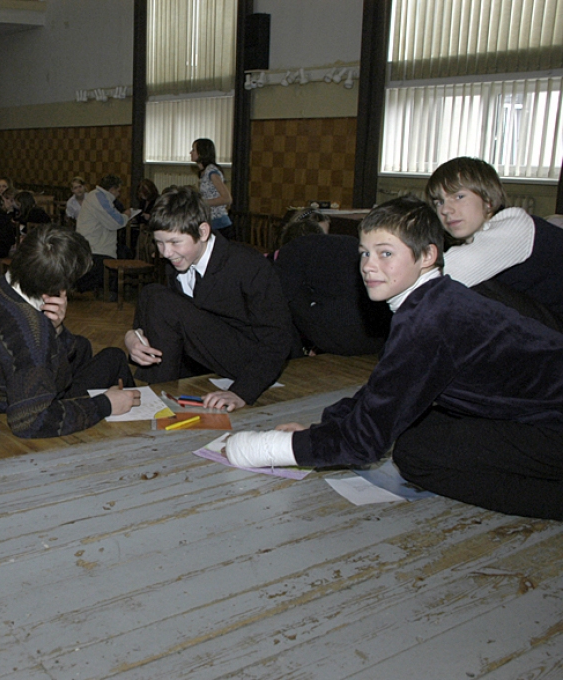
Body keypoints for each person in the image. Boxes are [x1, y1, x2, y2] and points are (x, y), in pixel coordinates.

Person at [224, 196, 563, 520]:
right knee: (417, 425)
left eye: (385, 253)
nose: (369, 266)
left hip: (552, 426)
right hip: (537, 411)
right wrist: (323, 428)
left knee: (416, 455)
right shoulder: (436, 298)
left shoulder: (428, 322)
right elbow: (385, 388)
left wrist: (262, 448)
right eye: (364, 253)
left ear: (428, 254)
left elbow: (362, 444)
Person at [124, 186, 292, 413]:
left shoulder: (249, 265)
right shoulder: (177, 260)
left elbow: (278, 338)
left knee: (158, 298)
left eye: (174, 242)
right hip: (202, 356)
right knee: (152, 293)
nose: (165, 252)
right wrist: (133, 336)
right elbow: (172, 319)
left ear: (202, 232)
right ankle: (158, 393)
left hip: (249, 359)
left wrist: (242, 392)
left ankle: (155, 394)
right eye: (160, 243)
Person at [0, 226, 140, 438]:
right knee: (114, 359)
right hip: (16, 403)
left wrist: (56, 328)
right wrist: (105, 404)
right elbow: (30, 421)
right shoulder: (31, 332)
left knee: (81, 346)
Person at [425, 156, 563, 324]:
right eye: (439, 202)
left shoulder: (516, 226)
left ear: (488, 201)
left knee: (461, 289)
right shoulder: (477, 239)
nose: (446, 209)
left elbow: (433, 280)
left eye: (459, 196)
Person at [273, 224, 391, 357]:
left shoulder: (291, 251)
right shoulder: (345, 243)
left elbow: (278, 301)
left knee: (282, 299)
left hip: (343, 339)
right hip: (378, 337)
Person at [74, 174, 131, 293]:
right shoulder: (100, 198)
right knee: (123, 254)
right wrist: (127, 215)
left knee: (123, 251)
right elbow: (116, 222)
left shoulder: (95, 195)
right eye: (118, 190)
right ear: (112, 189)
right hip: (95, 249)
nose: (118, 194)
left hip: (91, 245)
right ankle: (113, 291)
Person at [191, 138, 233, 235]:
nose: (191, 152)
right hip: (210, 222)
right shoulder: (204, 172)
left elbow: (227, 199)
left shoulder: (211, 171)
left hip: (219, 224)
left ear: (201, 153)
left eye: (193, 150)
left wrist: (203, 203)